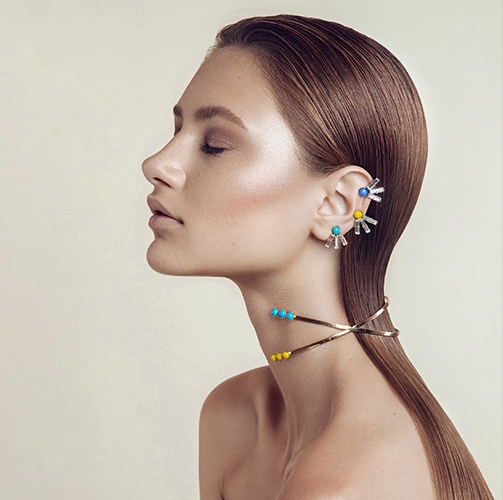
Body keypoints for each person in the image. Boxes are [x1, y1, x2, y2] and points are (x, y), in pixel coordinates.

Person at [142, 14, 492, 499]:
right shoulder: (234, 417)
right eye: (177, 129)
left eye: (215, 145)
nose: (157, 164)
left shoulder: (354, 481)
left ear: (340, 204)